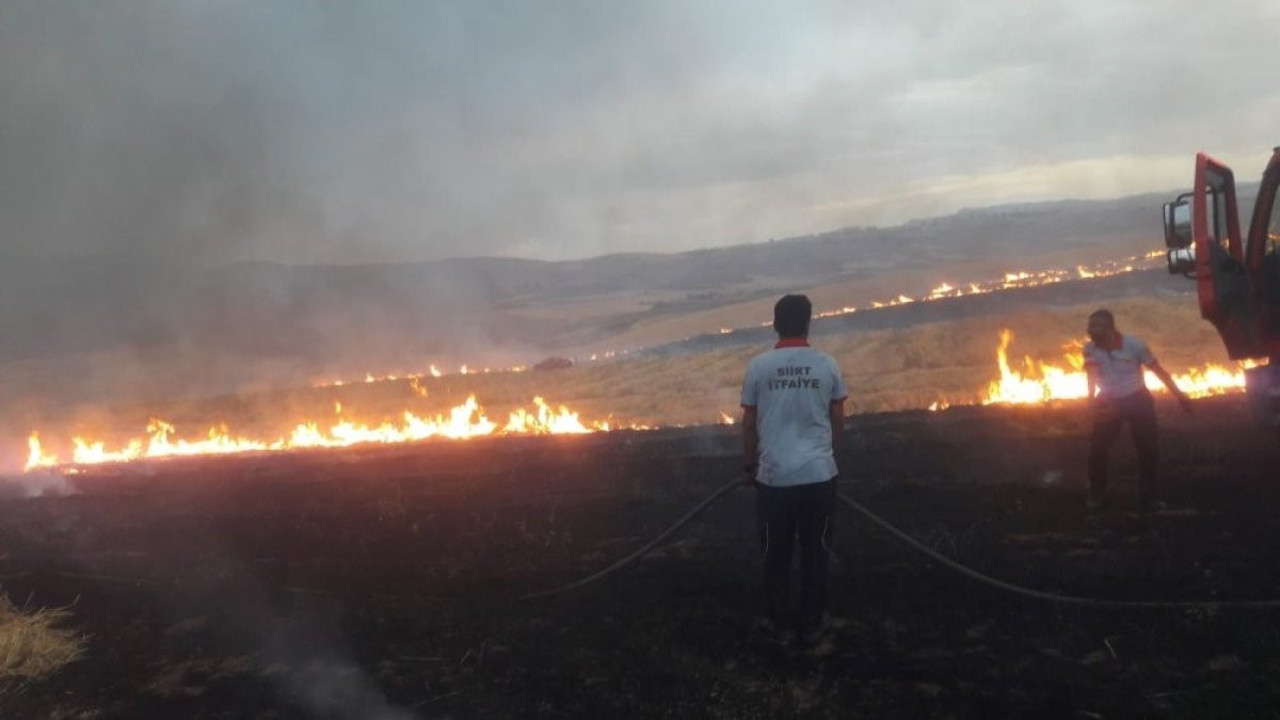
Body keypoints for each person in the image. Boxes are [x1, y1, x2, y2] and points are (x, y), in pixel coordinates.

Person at [741, 294, 848, 648]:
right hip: (819, 479)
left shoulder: (758, 367)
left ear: (775, 324)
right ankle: (812, 624)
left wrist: (749, 464)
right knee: (816, 552)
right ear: (808, 323)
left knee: (775, 554)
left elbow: (749, 422)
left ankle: (781, 625)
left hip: (774, 481)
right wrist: (829, 457)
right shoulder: (826, 364)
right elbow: (837, 417)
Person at [1083, 308, 1192, 512]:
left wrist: (1179, 395)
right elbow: (1091, 374)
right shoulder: (1090, 349)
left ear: (1108, 328)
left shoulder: (1135, 345)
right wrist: (1091, 401)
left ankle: (1149, 497)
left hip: (1137, 400)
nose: (1089, 331)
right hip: (1109, 400)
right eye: (1089, 327)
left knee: (1148, 449)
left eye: (1094, 326)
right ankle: (1096, 495)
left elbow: (1159, 371)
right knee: (1097, 450)